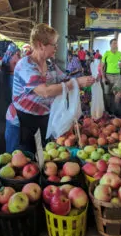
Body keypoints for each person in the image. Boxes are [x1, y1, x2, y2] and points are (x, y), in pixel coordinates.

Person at [7, 23, 95, 153]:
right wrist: (75, 83)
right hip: (21, 122)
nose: (56, 47)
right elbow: (45, 92)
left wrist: (86, 79)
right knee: (21, 160)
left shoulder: (51, 65)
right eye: (53, 44)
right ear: (41, 45)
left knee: (42, 158)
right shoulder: (25, 65)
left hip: (43, 119)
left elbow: (65, 80)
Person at [101, 38, 121, 113]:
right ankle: (108, 110)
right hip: (108, 76)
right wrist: (103, 77)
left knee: (117, 93)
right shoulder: (106, 53)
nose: (116, 45)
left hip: (117, 76)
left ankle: (116, 110)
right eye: (114, 43)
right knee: (107, 94)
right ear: (110, 45)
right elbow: (102, 67)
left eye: (116, 43)